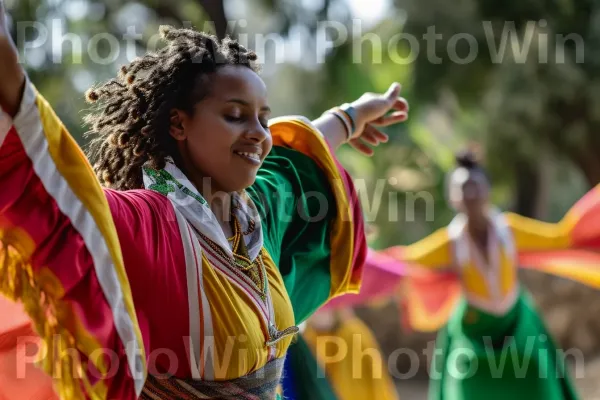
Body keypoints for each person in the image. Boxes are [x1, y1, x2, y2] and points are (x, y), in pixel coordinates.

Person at [0, 2, 409, 399]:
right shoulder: (148, 225)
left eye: (263, 119)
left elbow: (292, 164)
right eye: (235, 115)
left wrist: (352, 116)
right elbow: (54, 184)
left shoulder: (253, 215)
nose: (259, 133)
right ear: (179, 123)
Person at [384, 150, 600, 400]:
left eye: (475, 186)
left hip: (516, 323)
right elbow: (406, 262)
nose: (470, 195)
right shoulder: (450, 243)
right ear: (452, 198)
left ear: (487, 189)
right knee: (466, 384)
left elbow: (558, 238)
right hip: (475, 332)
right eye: (462, 189)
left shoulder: (509, 229)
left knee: (538, 379)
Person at [279, 250, 404, 400]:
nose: (317, 311)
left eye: (322, 307)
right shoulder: (306, 337)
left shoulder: (353, 333)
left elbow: (367, 385)